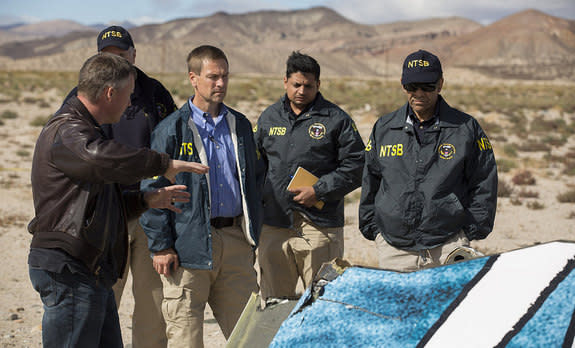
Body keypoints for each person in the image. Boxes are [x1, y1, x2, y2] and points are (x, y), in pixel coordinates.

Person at [28, 53, 209, 348]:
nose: (130, 104)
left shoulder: (86, 131)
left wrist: (146, 200)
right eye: (128, 95)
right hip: (70, 268)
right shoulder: (69, 130)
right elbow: (102, 157)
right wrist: (162, 164)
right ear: (110, 93)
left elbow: (97, 205)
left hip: (92, 272)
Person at [140, 45, 263, 348]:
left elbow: (254, 182)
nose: (220, 83)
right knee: (186, 339)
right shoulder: (172, 129)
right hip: (187, 247)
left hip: (235, 244)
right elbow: (150, 190)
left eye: (225, 76)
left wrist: (251, 235)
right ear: (193, 78)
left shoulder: (241, 126)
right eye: (213, 77)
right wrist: (161, 246)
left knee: (252, 336)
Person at [62, 25, 177, 348]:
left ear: (134, 54)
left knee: (153, 302)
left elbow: (172, 142)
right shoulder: (80, 97)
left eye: (122, 56)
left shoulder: (155, 93)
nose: (116, 64)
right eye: (107, 57)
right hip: (105, 211)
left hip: (149, 211)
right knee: (101, 297)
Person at [359, 49, 498, 271]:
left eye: (427, 87)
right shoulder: (384, 128)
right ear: (403, 85)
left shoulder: (465, 128)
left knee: (450, 305)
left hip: (447, 247)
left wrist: (470, 231)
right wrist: (374, 230)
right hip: (394, 249)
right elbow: (371, 180)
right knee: (397, 306)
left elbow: (484, 181)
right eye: (412, 87)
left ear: (440, 84)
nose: (419, 93)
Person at [254, 51, 365, 301]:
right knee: (274, 303)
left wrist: (320, 189)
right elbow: (255, 165)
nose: (302, 91)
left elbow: (358, 164)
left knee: (323, 302)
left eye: (308, 86)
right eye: (296, 85)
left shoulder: (337, 119)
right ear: (285, 82)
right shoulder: (268, 117)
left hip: (319, 226)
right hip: (275, 225)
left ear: (318, 85)